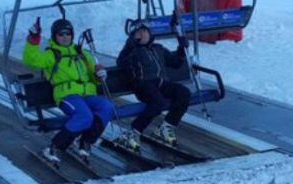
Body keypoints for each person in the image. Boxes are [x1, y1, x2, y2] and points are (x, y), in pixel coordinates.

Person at [23, 17, 114, 163]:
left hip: (87, 94)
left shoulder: (81, 53)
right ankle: (55, 146)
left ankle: (85, 141)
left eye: (68, 33)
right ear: (54, 36)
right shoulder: (52, 54)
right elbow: (31, 59)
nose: (65, 37)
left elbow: (93, 76)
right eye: (61, 34)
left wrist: (99, 74)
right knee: (84, 116)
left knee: (107, 107)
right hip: (67, 95)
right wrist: (34, 39)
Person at [116, 20, 191, 149]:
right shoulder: (132, 51)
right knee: (159, 103)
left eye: (145, 31)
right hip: (143, 85)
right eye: (139, 32)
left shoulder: (158, 48)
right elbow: (121, 62)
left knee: (184, 93)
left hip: (163, 84)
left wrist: (181, 50)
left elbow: (175, 63)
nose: (143, 35)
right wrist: (132, 44)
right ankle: (133, 132)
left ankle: (166, 126)